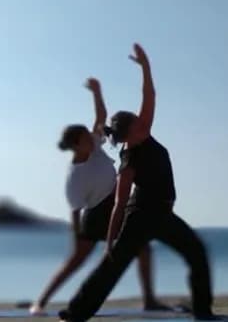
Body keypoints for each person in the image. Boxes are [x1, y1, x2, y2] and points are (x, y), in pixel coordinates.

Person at [59, 45, 216, 322]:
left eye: (143, 122)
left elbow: (150, 96)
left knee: (197, 252)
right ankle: (74, 314)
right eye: (139, 125)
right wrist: (110, 242)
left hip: (163, 214)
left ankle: (203, 312)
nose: (145, 124)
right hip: (141, 217)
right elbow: (120, 203)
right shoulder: (130, 159)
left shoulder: (144, 133)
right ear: (129, 134)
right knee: (111, 268)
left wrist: (145, 66)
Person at [30, 78, 165, 315]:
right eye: (84, 138)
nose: (91, 139)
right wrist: (77, 240)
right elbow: (75, 212)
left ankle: (149, 300)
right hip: (94, 216)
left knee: (144, 248)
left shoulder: (94, 145)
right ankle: (40, 302)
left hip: (117, 207)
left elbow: (101, 116)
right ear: (75, 145)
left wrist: (97, 91)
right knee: (75, 262)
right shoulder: (75, 178)